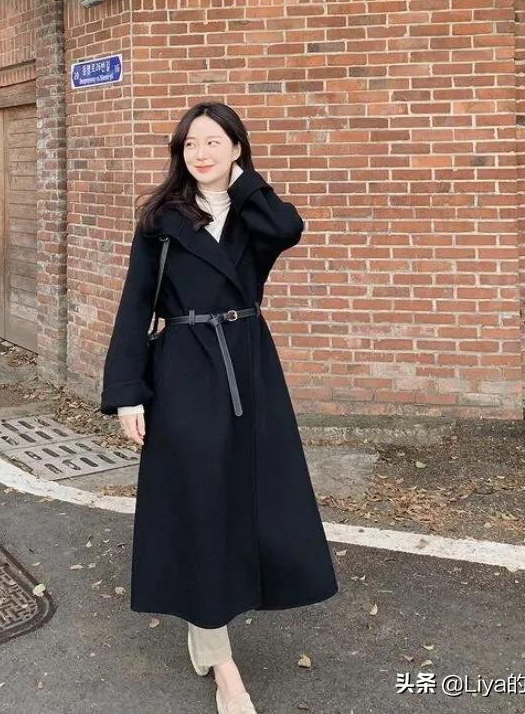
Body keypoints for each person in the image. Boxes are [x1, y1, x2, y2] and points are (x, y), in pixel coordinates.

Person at [100, 101, 338, 714]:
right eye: (189, 144)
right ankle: (222, 661)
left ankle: (211, 622)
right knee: (199, 505)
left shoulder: (256, 212)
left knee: (252, 503)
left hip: (250, 368)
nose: (199, 153)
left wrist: (242, 183)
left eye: (213, 141)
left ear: (236, 148)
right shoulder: (161, 220)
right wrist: (128, 392)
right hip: (185, 367)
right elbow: (135, 305)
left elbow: (288, 230)